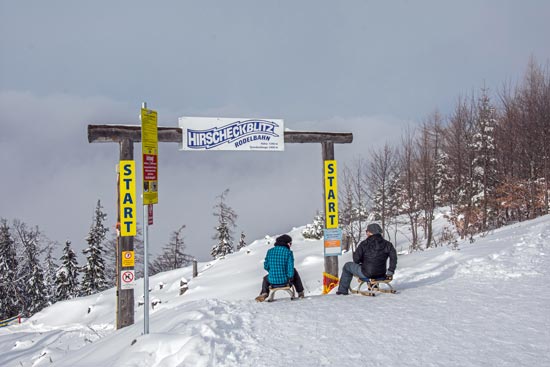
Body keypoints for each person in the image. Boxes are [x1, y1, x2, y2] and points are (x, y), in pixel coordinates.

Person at [336, 223, 397, 295]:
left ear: (370, 232)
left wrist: (359, 258)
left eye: (367, 231)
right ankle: (373, 285)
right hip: (382, 273)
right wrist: (390, 271)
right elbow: (394, 258)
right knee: (372, 266)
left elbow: (356, 260)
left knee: (347, 266)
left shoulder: (364, 244)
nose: (366, 233)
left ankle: (342, 290)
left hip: (366, 273)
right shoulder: (388, 244)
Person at [255, 234, 305, 302]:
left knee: (265, 278)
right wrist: (290, 278)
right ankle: (300, 293)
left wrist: (272, 272)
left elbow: (266, 266)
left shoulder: (270, 251)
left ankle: (264, 293)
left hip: (272, 280)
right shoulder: (288, 252)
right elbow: (290, 268)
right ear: (287, 243)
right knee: (294, 271)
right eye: (290, 243)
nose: (290, 245)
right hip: (285, 281)